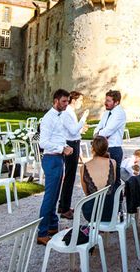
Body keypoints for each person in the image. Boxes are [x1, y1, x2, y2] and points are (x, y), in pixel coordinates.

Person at [37, 89, 74, 245]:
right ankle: (42, 232)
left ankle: (52, 226)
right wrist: (61, 149)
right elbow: (43, 142)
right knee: (50, 197)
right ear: (56, 101)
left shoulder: (60, 116)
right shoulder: (48, 118)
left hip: (58, 159)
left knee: (55, 195)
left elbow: (58, 137)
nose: (67, 104)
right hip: (51, 160)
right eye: (64, 101)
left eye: (68, 101)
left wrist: (66, 145)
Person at [58, 91, 89, 219]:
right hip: (70, 144)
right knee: (69, 177)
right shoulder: (67, 112)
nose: (81, 103)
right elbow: (72, 130)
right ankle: (64, 208)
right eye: (80, 100)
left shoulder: (70, 112)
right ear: (74, 100)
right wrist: (83, 118)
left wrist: (80, 129)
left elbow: (73, 130)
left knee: (70, 176)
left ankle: (63, 205)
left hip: (73, 141)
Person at [94, 90, 126, 187]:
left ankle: (117, 200)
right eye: (106, 100)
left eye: (108, 101)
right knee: (104, 178)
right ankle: (106, 200)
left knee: (114, 179)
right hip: (103, 148)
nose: (105, 103)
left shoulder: (119, 113)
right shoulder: (107, 113)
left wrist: (98, 134)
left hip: (114, 149)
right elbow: (98, 128)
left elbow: (108, 130)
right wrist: (98, 133)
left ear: (116, 102)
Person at [81, 136, 117, 222]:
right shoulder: (113, 162)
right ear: (106, 148)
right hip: (112, 210)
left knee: (86, 204)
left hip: (92, 213)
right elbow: (113, 183)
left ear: (92, 148)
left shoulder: (83, 167)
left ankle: (96, 228)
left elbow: (86, 193)